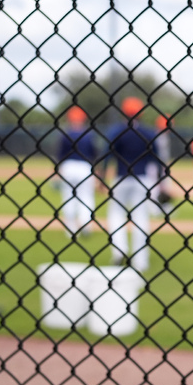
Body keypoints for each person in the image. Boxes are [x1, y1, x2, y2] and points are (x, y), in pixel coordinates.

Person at [106, 97, 158, 271]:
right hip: (142, 179)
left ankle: (119, 250)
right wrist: (159, 180)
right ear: (141, 113)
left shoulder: (117, 132)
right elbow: (157, 159)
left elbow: (108, 155)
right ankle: (141, 261)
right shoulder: (148, 133)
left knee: (116, 215)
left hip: (121, 177)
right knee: (141, 218)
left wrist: (101, 176)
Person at [56, 105, 99, 234]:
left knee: (68, 197)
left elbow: (60, 154)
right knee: (86, 197)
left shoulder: (65, 134)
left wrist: (58, 170)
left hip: (68, 167)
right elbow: (94, 154)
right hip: (85, 167)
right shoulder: (88, 134)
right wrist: (95, 171)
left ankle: (70, 229)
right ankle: (86, 225)